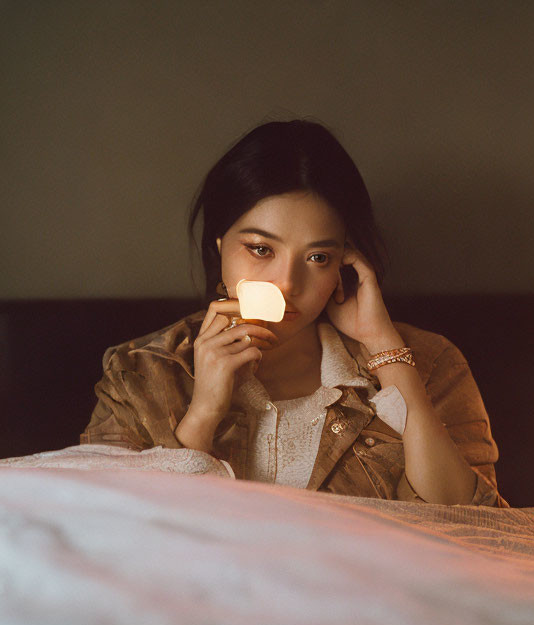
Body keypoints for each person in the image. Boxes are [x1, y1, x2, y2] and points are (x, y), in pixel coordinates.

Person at [80, 119, 506, 507]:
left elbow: (473, 525)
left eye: (317, 257)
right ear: (219, 247)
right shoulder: (138, 374)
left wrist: (385, 348)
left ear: (345, 262)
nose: (286, 283)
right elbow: (107, 536)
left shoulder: (432, 364)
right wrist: (204, 413)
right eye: (261, 249)